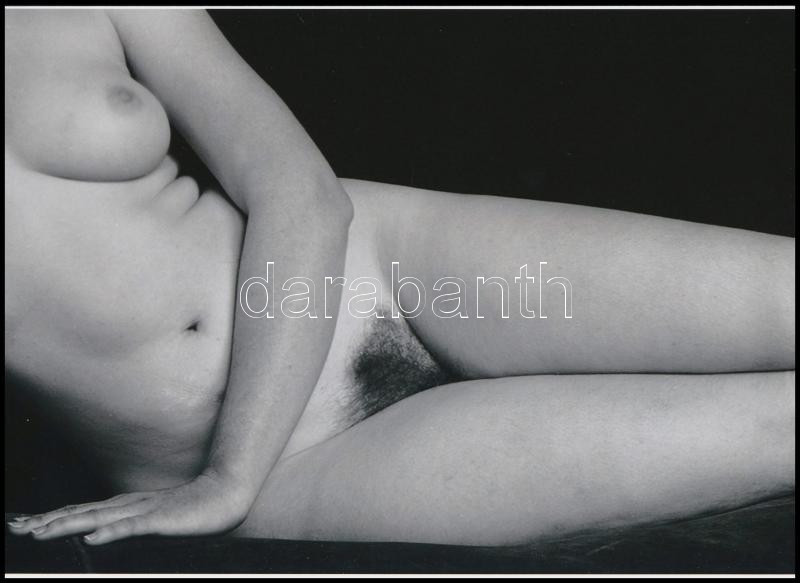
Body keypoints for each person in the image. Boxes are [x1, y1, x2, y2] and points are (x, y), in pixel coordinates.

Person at [5, 8, 795, 547]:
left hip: (379, 267)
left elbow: (297, 190)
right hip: (292, 467)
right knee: (779, 429)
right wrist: (227, 482)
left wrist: (229, 472)